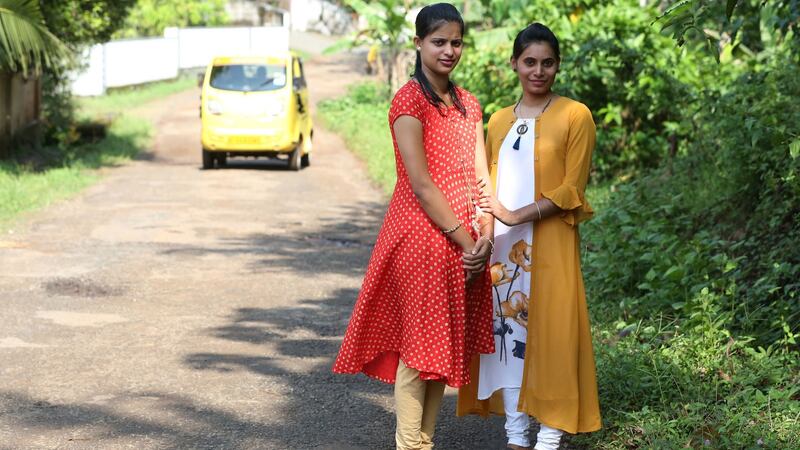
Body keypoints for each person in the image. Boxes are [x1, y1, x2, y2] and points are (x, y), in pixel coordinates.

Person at [332, 4, 495, 450]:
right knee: (417, 350)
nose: (448, 50)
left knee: (441, 347)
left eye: (456, 42)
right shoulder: (408, 101)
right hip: (421, 237)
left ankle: (424, 441)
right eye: (438, 41)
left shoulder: (470, 105)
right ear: (419, 44)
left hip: (465, 241)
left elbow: (480, 176)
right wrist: (468, 243)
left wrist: (485, 230)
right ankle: (411, 444)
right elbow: (421, 184)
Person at [457, 23, 602, 450]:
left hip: (551, 244)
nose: (538, 71)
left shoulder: (576, 115)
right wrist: (486, 232)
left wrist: (514, 213)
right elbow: (484, 186)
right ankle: (517, 435)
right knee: (509, 339)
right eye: (530, 62)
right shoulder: (499, 120)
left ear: (557, 65)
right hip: (503, 247)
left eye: (548, 62)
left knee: (553, 336)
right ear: (515, 64)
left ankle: (550, 437)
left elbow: (572, 189)